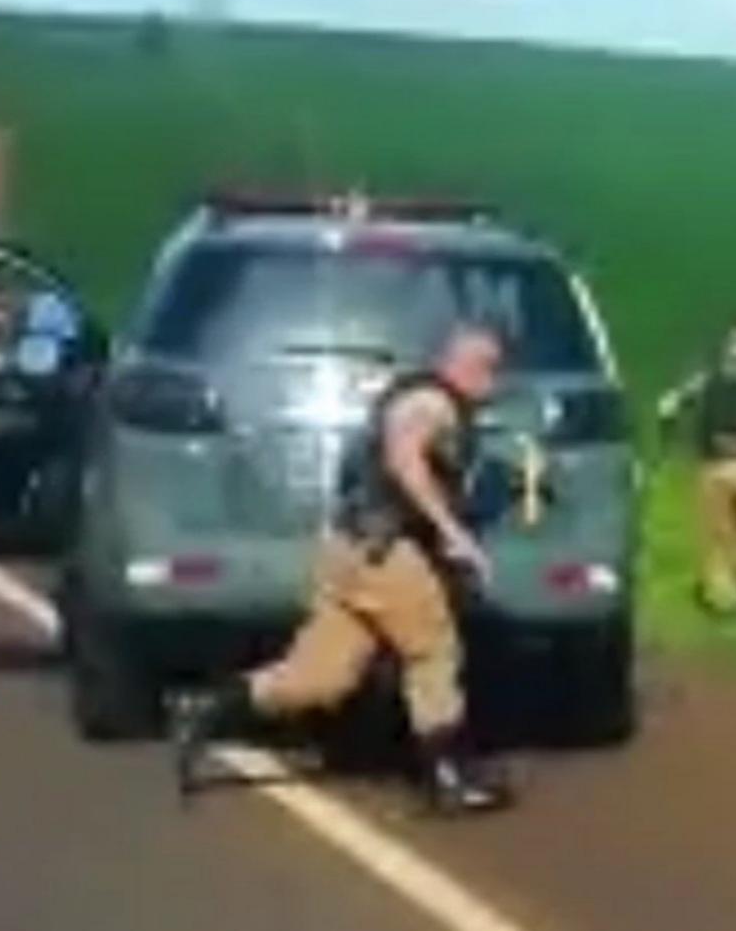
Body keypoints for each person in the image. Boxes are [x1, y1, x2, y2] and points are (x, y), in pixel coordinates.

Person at [171, 321, 514, 816]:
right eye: (492, 370)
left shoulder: (419, 398)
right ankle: (447, 778)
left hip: (346, 550)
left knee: (320, 675)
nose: (495, 384)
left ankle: (205, 710)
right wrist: (452, 533)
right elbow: (404, 458)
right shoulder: (432, 404)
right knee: (434, 650)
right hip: (385, 549)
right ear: (468, 365)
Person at [657, 317, 736, 613]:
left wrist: (667, 431)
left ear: (730, 345)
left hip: (721, 471)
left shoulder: (710, 377)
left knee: (719, 539)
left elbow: (667, 406)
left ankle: (726, 598)